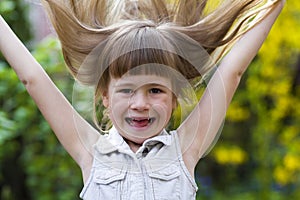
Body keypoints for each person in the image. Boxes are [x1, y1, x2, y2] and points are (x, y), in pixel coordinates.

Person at [0, 0, 285, 199]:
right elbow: (32, 79)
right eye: (127, 90)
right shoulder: (91, 153)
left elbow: (232, 71)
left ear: (174, 99)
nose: (140, 103)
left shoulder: (185, 151)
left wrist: (275, 4)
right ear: (105, 98)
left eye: (155, 90)